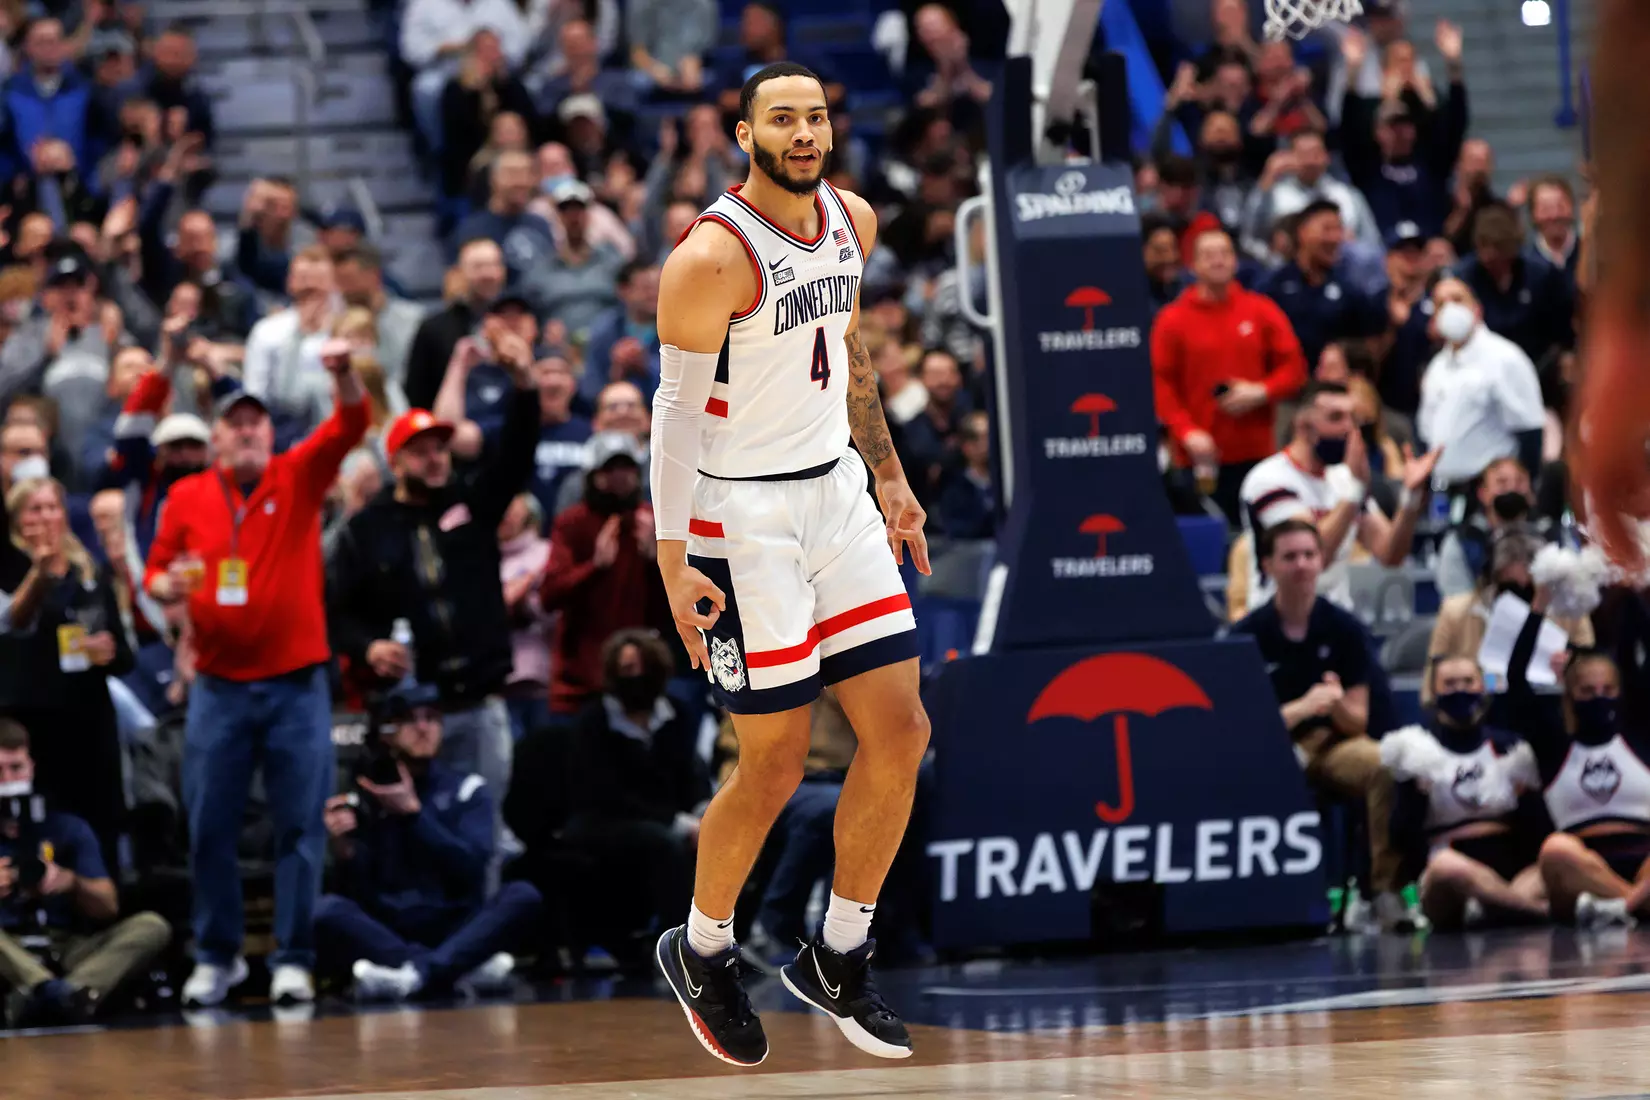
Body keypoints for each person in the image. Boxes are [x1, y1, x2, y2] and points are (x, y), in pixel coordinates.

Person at [648, 62, 931, 1066]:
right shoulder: (711, 257)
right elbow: (674, 418)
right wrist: (672, 556)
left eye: (815, 114)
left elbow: (847, 352)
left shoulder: (853, 217)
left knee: (900, 730)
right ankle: (705, 942)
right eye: (783, 117)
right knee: (769, 764)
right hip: (739, 515)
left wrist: (888, 478)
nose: (803, 131)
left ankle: (839, 949)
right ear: (745, 134)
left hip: (837, 495)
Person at [143, 341, 368, 1007]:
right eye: (234, 423)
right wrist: (163, 587)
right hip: (218, 686)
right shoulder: (185, 496)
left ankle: (293, 956)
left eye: (255, 423)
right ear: (216, 437)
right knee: (209, 824)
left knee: (300, 825)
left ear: (269, 434)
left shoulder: (297, 475)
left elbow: (352, 425)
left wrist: (343, 372)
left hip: (296, 684)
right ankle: (218, 956)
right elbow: (156, 569)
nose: (245, 431)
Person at [1228, 519, 1417, 931]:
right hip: (1271, 754)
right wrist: (1302, 707)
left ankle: (1382, 891)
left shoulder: (1344, 628)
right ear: (1268, 565)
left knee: (1383, 764)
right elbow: (1241, 726)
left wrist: (1334, 707)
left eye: (1309, 555)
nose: (1301, 565)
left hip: (1331, 745)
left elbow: (1358, 720)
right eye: (1290, 556)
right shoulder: (1248, 635)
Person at [313, 683, 542, 1001]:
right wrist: (345, 852)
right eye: (410, 720)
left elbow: (472, 869)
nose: (423, 728)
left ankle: (417, 973)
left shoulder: (468, 789)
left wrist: (415, 816)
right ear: (388, 733)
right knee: (324, 910)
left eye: (431, 719)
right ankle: (452, 969)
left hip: (455, 924)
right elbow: (363, 890)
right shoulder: (366, 793)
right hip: (393, 930)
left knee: (523, 895)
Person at [0, 719, 172, 1027]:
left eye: (16, 768)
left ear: (32, 767)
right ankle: (51, 992)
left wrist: (71, 882)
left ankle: (60, 996)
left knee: (151, 925)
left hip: (65, 943)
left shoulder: (66, 827)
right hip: (7, 948)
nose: (9, 780)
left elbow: (108, 906)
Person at [1238, 380, 1436, 612]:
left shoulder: (1343, 478)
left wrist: (1410, 498)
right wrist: (1354, 490)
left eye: (1353, 418)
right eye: (1335, 417)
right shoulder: (1269, 480)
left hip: (1335, 618)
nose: (1349, 429)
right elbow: (1314, 558)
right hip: (1279, 619)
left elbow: (1390, 555)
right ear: (1303, 426)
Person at [1381, 656, 1548, 929]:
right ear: (1433, 692)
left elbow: (1540, 833)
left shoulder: (1510, 747)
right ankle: (1532, 911)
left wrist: (1526, 799)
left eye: (1468, 682)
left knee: (1554, 862)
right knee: (1448, 867)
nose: (1460, 690)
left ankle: (1494, 905)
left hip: (1512, 871)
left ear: (1482, 686)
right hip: (1448, 876)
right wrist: (1416, 796)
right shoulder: (1417, 750)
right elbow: (1399, 838)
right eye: (1449, 684)